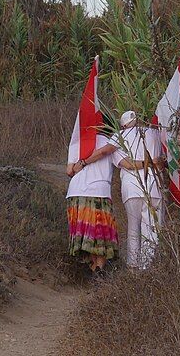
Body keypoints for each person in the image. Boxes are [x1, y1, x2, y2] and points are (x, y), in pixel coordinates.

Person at [83, 110, 164, 269]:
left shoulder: (119, 137)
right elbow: (163, 159)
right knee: (152, 230)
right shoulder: (155, 133)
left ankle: (133, 266)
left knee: (133, 229)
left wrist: (83, 162)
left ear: (123, 125)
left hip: (132, 188)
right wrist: (153, 163)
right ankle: (148, 267)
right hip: (154, 186)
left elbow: (125, 164)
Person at [65, 134, 119, 272]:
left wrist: (82, 163)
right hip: (99, 191)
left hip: (76, 192)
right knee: (100, 233)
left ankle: (91, 267)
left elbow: (69, 170)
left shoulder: (78, 140)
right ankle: (98, 269)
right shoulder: (111, 140)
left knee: (86, 234)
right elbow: (121, 161)